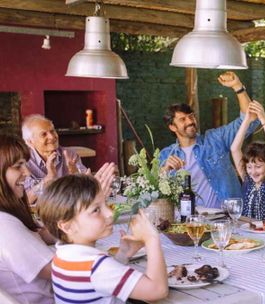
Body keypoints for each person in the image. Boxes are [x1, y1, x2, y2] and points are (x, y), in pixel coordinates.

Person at [38, 174, 169, 303]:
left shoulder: (61, 256)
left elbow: (101, 282)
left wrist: (123, 254)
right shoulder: (96, 267)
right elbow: (158, 291)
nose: (110, 213)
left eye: (106, 204)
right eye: (96, 210)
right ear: (67, 226)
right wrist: (151, 239)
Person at [159, 71, 259, 209]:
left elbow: (251, 120)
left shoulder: (215, 139)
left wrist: (238, 86)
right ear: (172, 127)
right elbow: (156, 195)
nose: (190, 121)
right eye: (182, 119)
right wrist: (165, 170)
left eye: (191, 116)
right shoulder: (166, 155)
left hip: (228, 217)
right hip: (192, 221)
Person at [0, 133, 55, 304]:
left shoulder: (9, 215)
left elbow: (44, 234)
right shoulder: (5, 227)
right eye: (18, 166)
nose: (27, 172)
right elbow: (63, 273)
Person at [21, 114, 115, 204]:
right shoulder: (24, 162)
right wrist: (48, 179)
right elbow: (26, 199)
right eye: (44, 134)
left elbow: (86, 191)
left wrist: (76, 178)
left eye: (52, 131)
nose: (52, 137)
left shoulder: (69, 155)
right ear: (30, 142)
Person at [231, 100, 265, 221]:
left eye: (258, 167)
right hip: (247, 233)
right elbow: (234, 149)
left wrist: (263, 118)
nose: (253, 172)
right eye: (249, 167)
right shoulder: (247, 179)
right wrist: (247, 119)